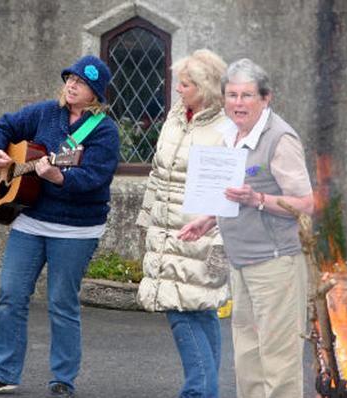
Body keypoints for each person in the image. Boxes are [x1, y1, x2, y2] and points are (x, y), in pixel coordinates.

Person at [0, 55, 120, 397]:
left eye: (80, 83)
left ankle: (62, 380)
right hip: (30, 219)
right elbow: (4, 126)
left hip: (76, 230)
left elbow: (96, 177)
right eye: (70, 79)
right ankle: (5, 372)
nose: (71, 85)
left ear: (94, 93)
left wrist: (59, 177)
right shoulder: (45, 112)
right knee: (10, 294)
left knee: (61, 303)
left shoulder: (105, 132)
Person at [178, 58, 314, 398]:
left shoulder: (279, 139)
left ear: (265, 99)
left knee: (279, 363)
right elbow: (232, 194)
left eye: (247, 95)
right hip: (242, 263)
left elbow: (305, 205)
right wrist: (208, 218)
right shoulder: (231, 135)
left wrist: (258, 199)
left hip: (276, 263)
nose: (238, 103)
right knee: (249, 358)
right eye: (232, 95)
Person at [136, 49, 231, 398]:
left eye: (186, 84)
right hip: (167, 232)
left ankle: (199, 392)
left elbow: (235, 188)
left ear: (205, 88)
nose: (178, 89)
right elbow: (158, 175)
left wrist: (221, 238)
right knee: (198, 312)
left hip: (202, 236)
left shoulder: (226, 128)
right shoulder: (176, 118)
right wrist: (147, 220)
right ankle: (206, 390)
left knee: (183, 309)